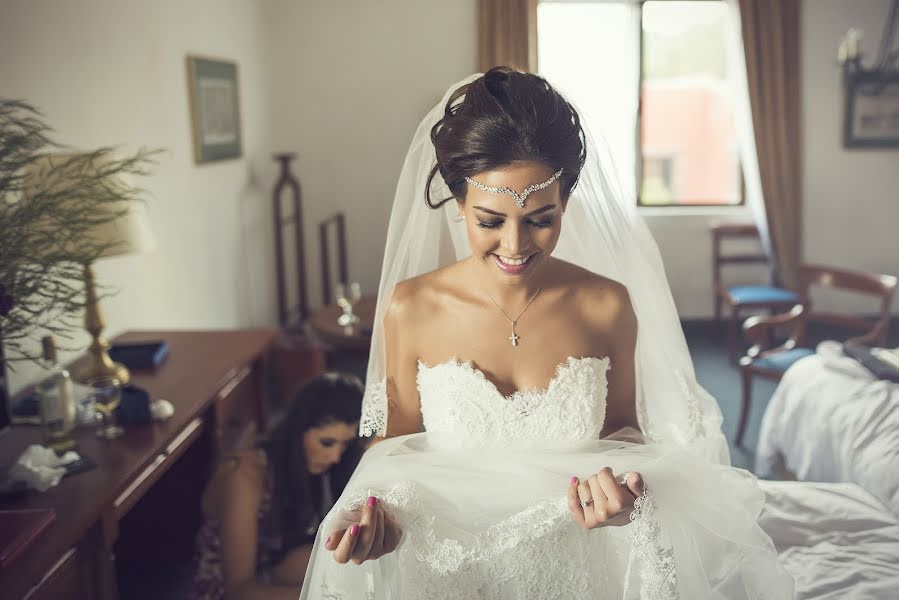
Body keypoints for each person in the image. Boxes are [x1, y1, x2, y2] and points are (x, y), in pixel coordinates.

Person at [300, 68, 794, 598]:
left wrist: (624, 499)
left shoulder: (606, 305)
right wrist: (378, 516)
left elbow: (626, 437)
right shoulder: (412, 307)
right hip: (446, 568)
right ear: (459, 202)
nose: (516, 245)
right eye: (491, 220)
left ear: (565, 202)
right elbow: (394, 445)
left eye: (541, 218)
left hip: (574, 567)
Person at [188, 372, 364, 600]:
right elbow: (238, 590)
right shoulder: (242, 476)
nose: (335, 457)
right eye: (327, 442)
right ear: (298, 429)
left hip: (270, 569)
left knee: (350, 565)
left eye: (345, 445)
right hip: (227, 592)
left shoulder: (303, 465)